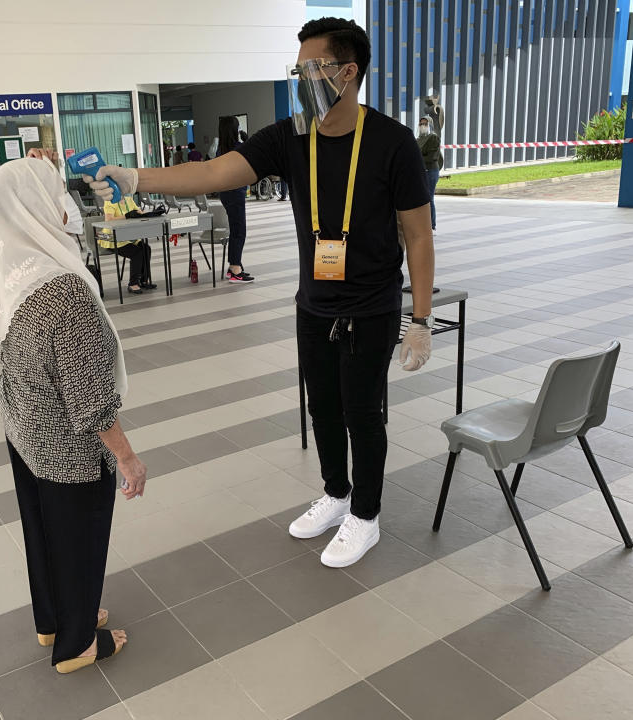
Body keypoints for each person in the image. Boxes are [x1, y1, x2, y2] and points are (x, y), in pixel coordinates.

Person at [83, 17, 434, 569]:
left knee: (362, 412)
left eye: (310, 68)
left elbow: (417, 233)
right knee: (322, 407)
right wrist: (136, 178)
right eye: (296, 70)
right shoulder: (292, 136)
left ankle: (365, 515)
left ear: (348, 72)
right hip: (314, 304)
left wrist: (419, 318)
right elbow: (217, 174)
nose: (302, 79)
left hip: (372, 307)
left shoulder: (392, 143)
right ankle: (337, 495)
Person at [0, 156, 148, 674]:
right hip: (69, 449)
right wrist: (128, 458)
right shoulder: (62, 291)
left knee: (43, 534)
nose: (65, 204)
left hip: (24, 433)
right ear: (36, 208)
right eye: (55, 195)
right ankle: (77, 644)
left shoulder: (7, 274)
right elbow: (90, 400)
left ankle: (52, 619)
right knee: (79, 541)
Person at [217, 116, 255, 283]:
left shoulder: (220, 150)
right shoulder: (238, 147)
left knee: (236, 229)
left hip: (226, 193)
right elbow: (253, 157)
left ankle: (235, 264)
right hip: (236, 193)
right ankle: (234, 269)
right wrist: (247, 140)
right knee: (239, 230)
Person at [417, 116, 442, 231]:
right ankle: (423, 223)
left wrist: (417, 157)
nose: (423, 126)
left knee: (429, 197)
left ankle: (432, 225)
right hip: (421, 171)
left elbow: (432, 157)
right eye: (421, 124)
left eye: (425, 124)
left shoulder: (433, 138)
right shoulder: (419, 138)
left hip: (431, 171)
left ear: (430, 125)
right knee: (422, 198)